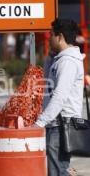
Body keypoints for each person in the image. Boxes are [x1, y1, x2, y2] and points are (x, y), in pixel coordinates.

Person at [34, 19, 84, 176]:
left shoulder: (67, 62)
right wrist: (50, 58)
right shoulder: (61, 60)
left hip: (61, 125)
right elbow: (47, 83)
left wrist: (40, 123)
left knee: (57, 171)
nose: (49, 38)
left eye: (51, 35)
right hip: (56, 124)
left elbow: (59, 96)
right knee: (55, 169)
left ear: (60, 37)